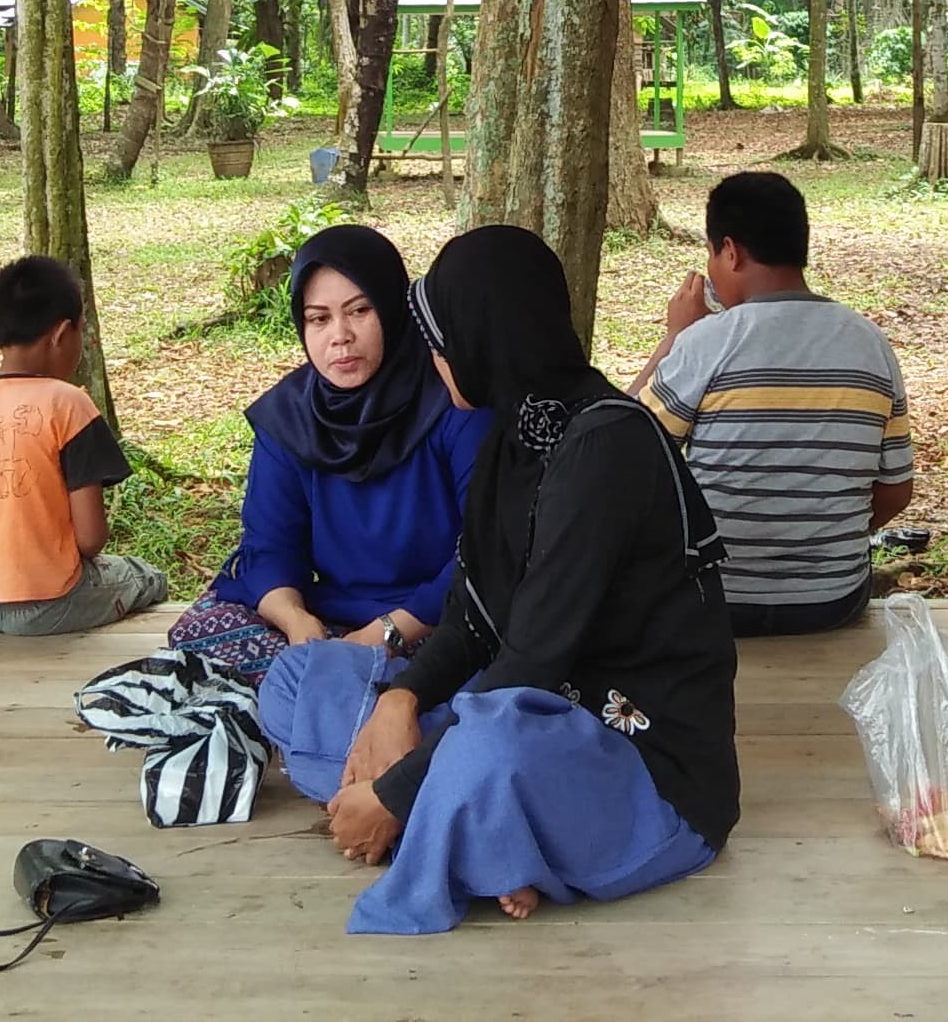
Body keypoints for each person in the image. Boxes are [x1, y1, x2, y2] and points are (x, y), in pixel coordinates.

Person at [257, 224, 738, 935]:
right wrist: (398, 703)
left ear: (488, 333)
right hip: (519, 711)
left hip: (632, 756)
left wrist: (394, 789)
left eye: (441, 334)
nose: (433, 353)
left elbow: (533, 667)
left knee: (492, 741)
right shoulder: (511, 438)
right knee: (304, 675)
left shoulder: (606, 447)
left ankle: (441, 819)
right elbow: (474, 618)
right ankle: (485, 832)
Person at [165, 225, 488, 682]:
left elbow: (485, 551)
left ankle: (351, 692)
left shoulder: (455, 404)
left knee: (478, 664)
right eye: (319, 318)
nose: (340, 336)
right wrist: (298, 623)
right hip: (332, 615)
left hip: (439, 617)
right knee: (201, 632)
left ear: (395, 310)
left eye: (360, 311)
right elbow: (270, 545)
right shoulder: (289, 417)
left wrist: (385, 635)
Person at [633, 170, 914, 635]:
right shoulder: (870, 343)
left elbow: (622, 447)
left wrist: (673, 337)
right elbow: (895, 492)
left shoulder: (707, 341)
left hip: (714, 600)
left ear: (730, 251)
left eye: (711, 253)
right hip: (833, 598)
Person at [0, 255, 167, 636]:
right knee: (144, 576)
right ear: (61, 335)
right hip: (46, 603)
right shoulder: (68, 403)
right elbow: (90, 539)